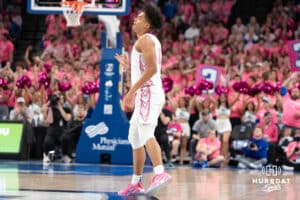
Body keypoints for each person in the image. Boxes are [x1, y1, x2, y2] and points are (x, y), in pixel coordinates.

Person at [115, 5, 171, 196]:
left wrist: (132, 90)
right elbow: (145, 68)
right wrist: (129, 66)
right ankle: (136, 182)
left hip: (148, 93)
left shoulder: (146, 39)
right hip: (146, 93)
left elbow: (153, 70)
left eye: (139, 18)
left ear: (146, 25)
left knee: (146, 132)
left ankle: (160, 172)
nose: (135, 20)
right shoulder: (144, 41)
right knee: (135, 137)